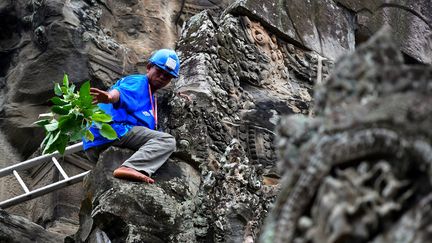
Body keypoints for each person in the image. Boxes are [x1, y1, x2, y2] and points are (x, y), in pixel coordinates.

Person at [83, 49, 179, 183]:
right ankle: (131, 167)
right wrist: (109, 97)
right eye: (159, 71)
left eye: (167, 75)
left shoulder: (151, 96)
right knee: (167, 141)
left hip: (96, 142)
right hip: (112, 130)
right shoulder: (139, 82)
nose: (162, 76)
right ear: (149, 67)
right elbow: (121, 93)